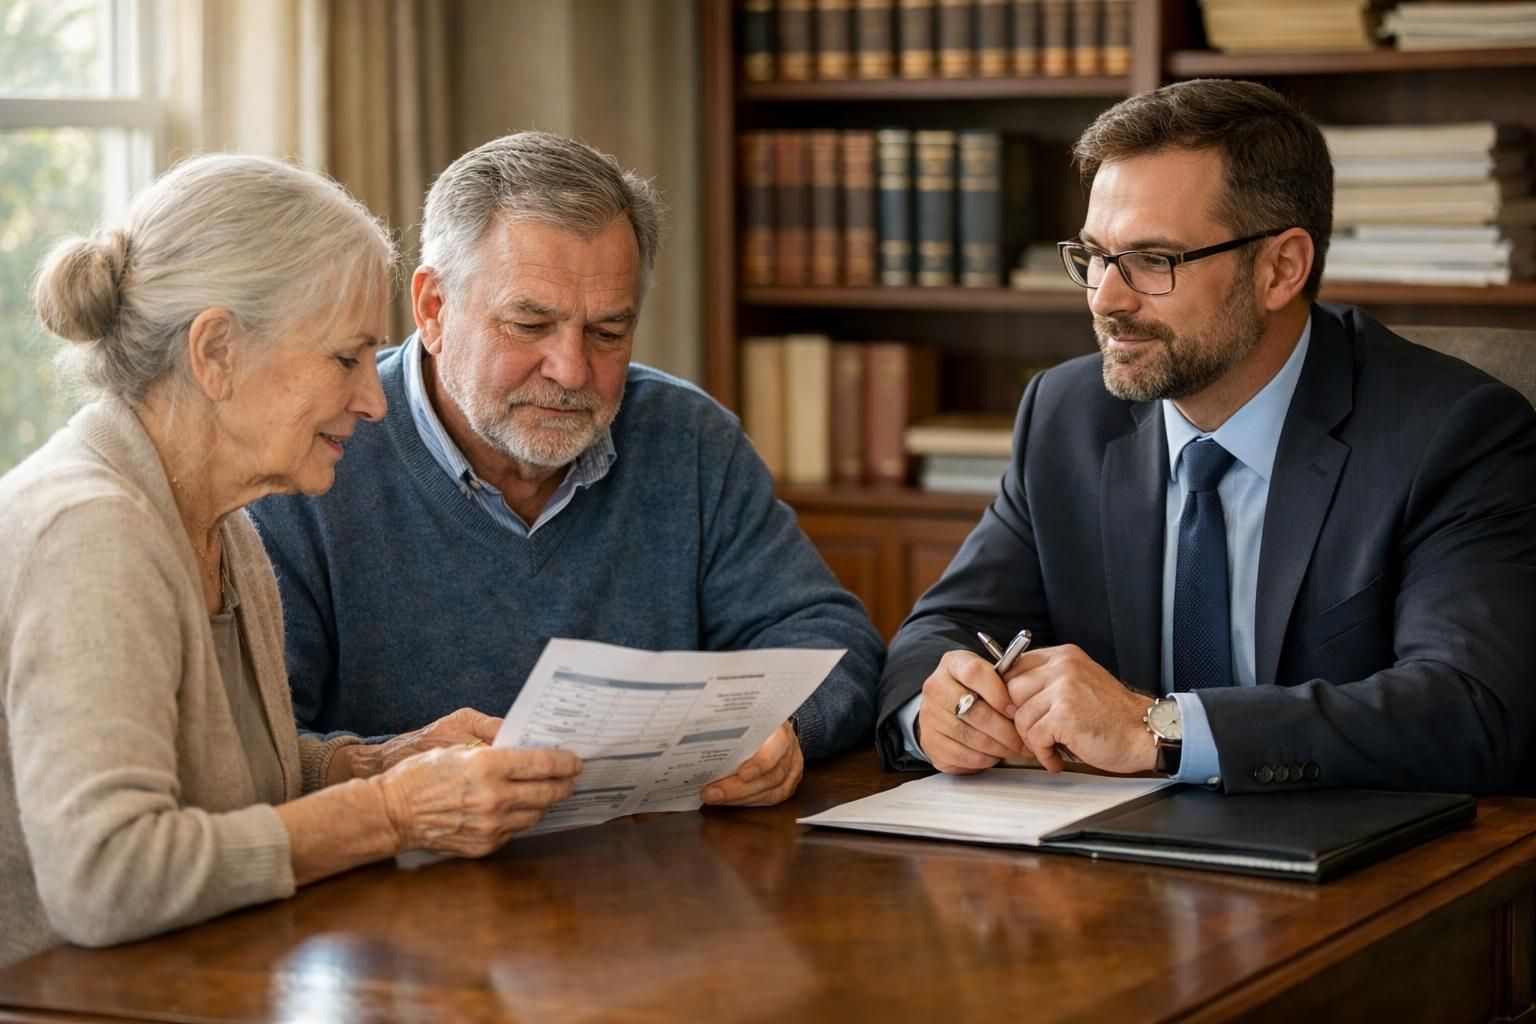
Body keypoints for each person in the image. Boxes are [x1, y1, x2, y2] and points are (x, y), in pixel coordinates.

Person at [0, 154, 584, 968]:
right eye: (346, 359)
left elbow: (234, 786)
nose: (375, 400)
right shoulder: (91, 533)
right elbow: (107, 879)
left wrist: (373, 762)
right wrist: (388, 812)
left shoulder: (222, 525)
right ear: (216, 353)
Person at [876, 79, 1536, 794]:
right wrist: (938, 711)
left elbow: (1471, 710)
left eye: (1153, 261)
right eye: (1095, 256)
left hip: (1346, 866)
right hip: (1098, 863)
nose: (1105, 298)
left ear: (1281, 268)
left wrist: (1160, 728)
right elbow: (941, 631)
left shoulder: (1453, 433)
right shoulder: (1067, 413)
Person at [249, 131, 882, 807]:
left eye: (608, 333)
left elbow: (833, 643)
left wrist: (785, 727)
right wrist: (382, 767)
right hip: (402, 886)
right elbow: (254, 747)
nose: (573, 371)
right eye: (530, 325)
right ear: (433, 309)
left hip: (658, 874)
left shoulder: (686, 438)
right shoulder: (316, 457)